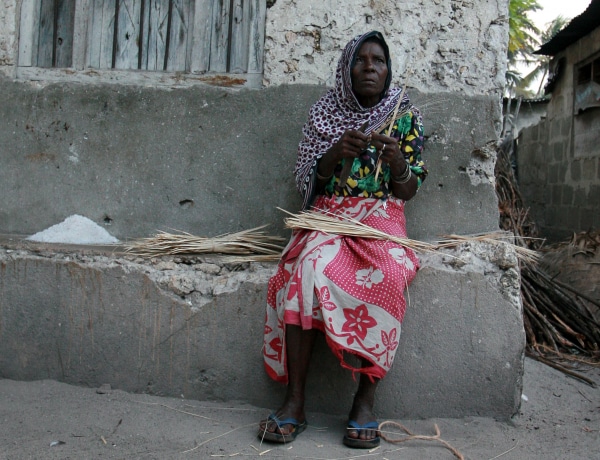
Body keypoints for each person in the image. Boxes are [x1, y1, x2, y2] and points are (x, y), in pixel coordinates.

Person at [258, 30, 427, 449]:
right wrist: (333, 155)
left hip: (380, 221)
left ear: (388, 72)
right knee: (305, 270)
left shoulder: (404, 117)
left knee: (390, 273)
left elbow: (409, 190)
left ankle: (364, 401)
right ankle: (294, 402)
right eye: (361, 60)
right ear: (346, 69)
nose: (370, 67)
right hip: (330, 216)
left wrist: (399, 164)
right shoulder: (323, 114)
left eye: (379, 61)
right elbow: (307, 185)